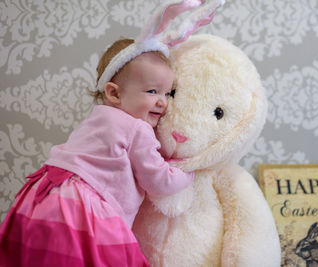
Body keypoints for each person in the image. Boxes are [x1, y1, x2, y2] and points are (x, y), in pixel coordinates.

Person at [0, 38, 194, 266]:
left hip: (44, 192)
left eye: (168, 93)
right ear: (114, 94)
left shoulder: (97, 117)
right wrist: (186, 170)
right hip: (80, 206)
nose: (163, 103)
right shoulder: (137, 128)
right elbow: (159, 180)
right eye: (152, 91)